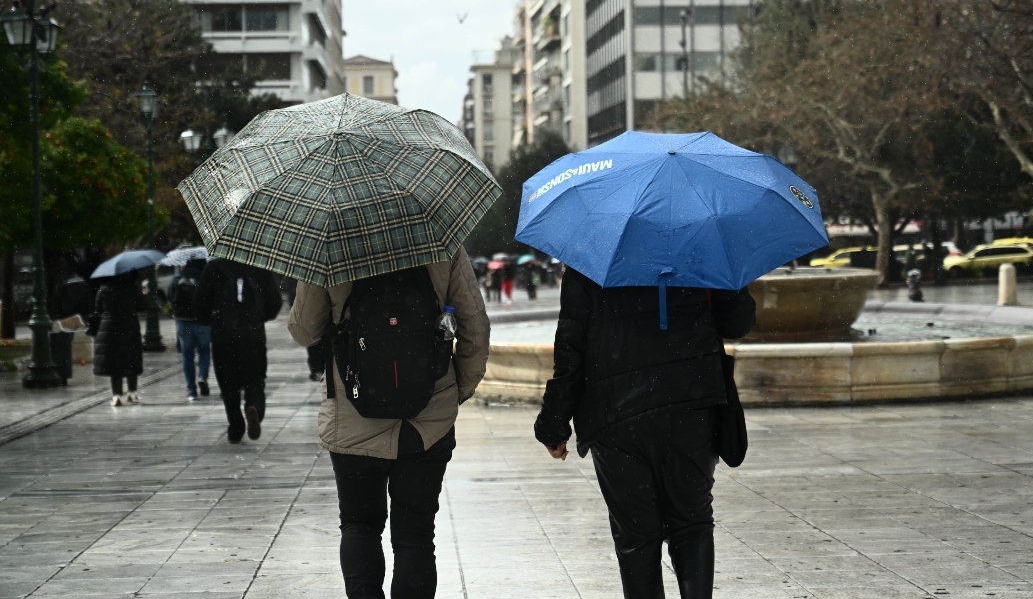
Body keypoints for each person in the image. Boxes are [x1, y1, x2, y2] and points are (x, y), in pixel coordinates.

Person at [534, 267, 756, 599]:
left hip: (616, 414)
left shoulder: (591, 257)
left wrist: (553, 422)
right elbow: (737, 324)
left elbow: (571, 348)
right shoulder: (699, 249)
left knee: (636, 536)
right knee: (691, 524)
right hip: (690, 403)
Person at [287, 248, 490, 599]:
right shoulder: (441, 242)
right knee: (415, 535)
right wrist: (456, 389)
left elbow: (304, 330)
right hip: (427, 421)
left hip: (353, 416)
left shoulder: (329, 245)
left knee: (359, 525)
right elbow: (475, 325)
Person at [194, 259, 282, 443]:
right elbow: (274, 302)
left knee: (228, 384)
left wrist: (211, 318)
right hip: (253, 337)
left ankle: (236, 425)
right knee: (255, 379)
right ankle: (254, 406)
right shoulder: (260, 266)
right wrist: (257, 317)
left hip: (223, 337)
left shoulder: (214, 268)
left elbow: (200, 303)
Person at [88, 271, 147, 406]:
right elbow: (142, 306)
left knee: (114, 361)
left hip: (110, 327)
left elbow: (98, 308)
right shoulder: (132, 287)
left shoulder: (104, 288)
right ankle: (132, 393)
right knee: (131, 359)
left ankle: (117, 395)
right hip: (129, 326)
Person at [169, 259, 211, 401]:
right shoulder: (206, 278)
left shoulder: (178, 279)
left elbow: (170, 297)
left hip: (183, 321)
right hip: (202, 321)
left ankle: (191, 390)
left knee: (187, 355)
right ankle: (202, 376)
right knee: (204, 350)